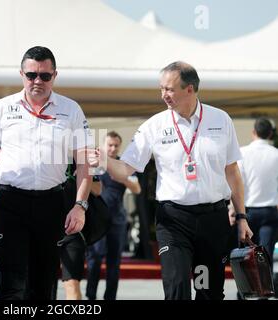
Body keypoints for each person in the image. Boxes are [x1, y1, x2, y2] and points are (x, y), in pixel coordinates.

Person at [88, 61, 253, 300]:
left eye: (169, 89)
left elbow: (232, 172)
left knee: (208, 290)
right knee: (177, 289)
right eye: (161, 89)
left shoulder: (220, 120)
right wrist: (104, 160)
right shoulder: (154, 126)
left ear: (190, 89)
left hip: (212, 221)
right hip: (174, 221)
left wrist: (241, 216)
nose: (164, 95)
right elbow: (125, 169)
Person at [0, 46, 93, 300]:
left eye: (45, 76)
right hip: (10, 202)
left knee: (43, 284)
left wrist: (80, 205)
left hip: (52, 203)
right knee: (12, 282)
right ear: (21, 74)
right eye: (32, 75)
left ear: (55, 75)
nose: (37, 81)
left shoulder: (71, 109)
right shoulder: (2, 107)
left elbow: (85, 165)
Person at [86, 131, 141, 300]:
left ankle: (110, 297)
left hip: (117, 219)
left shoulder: (124, 165)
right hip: (97, 219)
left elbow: (137, 189)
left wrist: (121, 177)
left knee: (114, 261)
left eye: (116, 145)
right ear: (103, 145)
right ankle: (91, 296)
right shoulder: (95, 163)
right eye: (109, 145)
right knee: (94, 258)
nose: (112, 148)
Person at [53, 163, 102, 300]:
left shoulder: (82, 155)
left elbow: (98, 189)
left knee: (72, 283)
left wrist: (83, 174)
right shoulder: (45, 153)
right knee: (43, 283)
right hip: (46, 226)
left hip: (73, 230)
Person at [237, 118, 278, 270]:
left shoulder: (242, 152)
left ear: (253, 132)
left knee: (246, 252)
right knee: (265, 252)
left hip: (247, 212)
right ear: (270, 134)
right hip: (270, 211)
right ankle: (265, 288)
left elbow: (238, 183)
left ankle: (246, 290)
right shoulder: (276, 154)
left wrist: (233, 210)